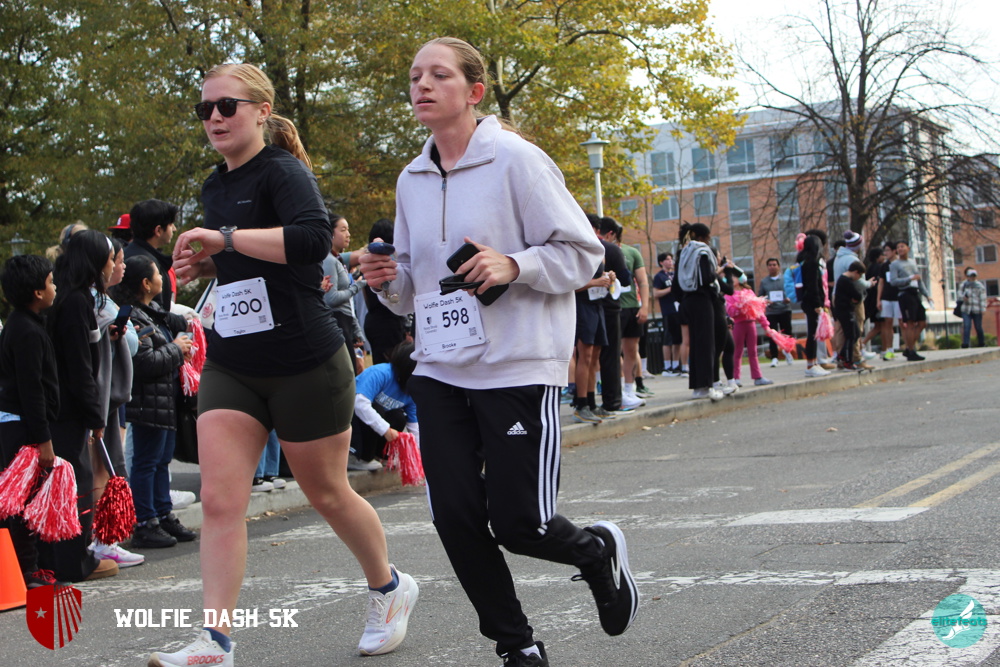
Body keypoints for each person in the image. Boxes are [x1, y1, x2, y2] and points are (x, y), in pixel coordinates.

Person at [359, 37, 637, 666]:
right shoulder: (411, 178)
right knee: (455, 519)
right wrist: (386, 280)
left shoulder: (518, 161)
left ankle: (596, 552)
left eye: (438, 75)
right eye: (415, 76)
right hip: (439, 367)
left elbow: (584, 254)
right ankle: (517, 647)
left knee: (520, 525)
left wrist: (515, 264)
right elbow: (411, 289)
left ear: (474, 92)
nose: (422, 85)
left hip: (516, 366)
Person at [149, 63, 416, 666]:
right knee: (221, 501)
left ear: (262, 111)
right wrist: (209, 264)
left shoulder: (283, 172)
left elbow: (312, 242)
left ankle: (389, 586)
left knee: (327, 492)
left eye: (227, 106)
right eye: (205, 109)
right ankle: (216, 642)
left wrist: (226, 240)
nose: (215, 118)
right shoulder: (215, 185)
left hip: (304, 360)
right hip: (233, 363)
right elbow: (249, 258)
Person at [43, 229, 119, 581]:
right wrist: (95, 414)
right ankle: (76, 560)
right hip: (67, 410)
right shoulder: (76, 302)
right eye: (109, 259)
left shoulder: (67, 297)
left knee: (63, 482)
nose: (112, 265)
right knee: (76, 481)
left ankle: (60, 559)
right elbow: (79, 368)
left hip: (57, 407)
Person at [110, 255, 196, 550]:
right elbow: (144, 362)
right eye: (158, 274)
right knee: (146, 462)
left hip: (164, 400)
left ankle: (163, 514)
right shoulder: (134, 316)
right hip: (147, 401)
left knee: (161, 461)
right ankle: (145, 521)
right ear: (146, 283)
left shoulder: (154, 312)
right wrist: (176, 348)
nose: (163, 278)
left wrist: (179, 348)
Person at [0, 254, 62, 588]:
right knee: (23, 502)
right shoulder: (26, 331)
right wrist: (43, 440)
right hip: (21, 426)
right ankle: (27, 571)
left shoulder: (23, 323)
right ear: (38, 292)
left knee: (23, 498)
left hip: (18, 422)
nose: (55, 287)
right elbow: (31, 390)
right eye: (51, 282)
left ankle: (30, 567)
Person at [89, 238, 144, 568]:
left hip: (106, 393)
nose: (119, 266)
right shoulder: (92, 301)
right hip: (99, 396)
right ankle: (100, 541)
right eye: (114, 259)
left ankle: (102, 540)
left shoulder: (100, 299)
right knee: (101, 468)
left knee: (105, 466)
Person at [350, 341, 418, 469]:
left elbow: (415, 429)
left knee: (398, 416)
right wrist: (386, 430)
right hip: (349, 418)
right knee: (377, 409)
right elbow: (359, 404)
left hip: (373, 425)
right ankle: (357, 456)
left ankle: (381, 455)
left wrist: (419, 458)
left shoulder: (410, 390)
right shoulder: (380, 373)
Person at [676, 223, 724, 401]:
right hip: (703, 299)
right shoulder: (702, 252)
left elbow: (676, 284)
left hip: (688, 299)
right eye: (708, 238)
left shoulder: (684, 252)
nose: (709, 242)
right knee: (707, 343)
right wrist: (716, 273)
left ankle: (697, 385)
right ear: (702, 237)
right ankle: (707, 385)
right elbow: (707, 277)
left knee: (695, 343)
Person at [321, 215, 366, 376]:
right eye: (343, 230)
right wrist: (357, 286)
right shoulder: (329, 261)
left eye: (348, 229)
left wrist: (355, 328)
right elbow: (331, 299)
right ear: (330, 234)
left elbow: (347, 305)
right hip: (337, 322)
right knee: (345, 374)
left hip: (345, 321)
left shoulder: (337, 259)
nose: (348, 234)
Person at [362, 218, 410, 364]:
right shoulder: (389, 266)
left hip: (374, 320)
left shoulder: (369, 265)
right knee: (394, 368)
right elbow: (396, 298)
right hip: (389, 323)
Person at [125, 199, 178, 312]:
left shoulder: (128, 253)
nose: (174, 228)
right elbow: (154, 311)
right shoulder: (147, 264)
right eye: (171, 224)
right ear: (158, 230)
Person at [889, 240, 931, 361]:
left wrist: (926, 294)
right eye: (898, 247)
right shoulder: (895, 264)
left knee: (922, 323)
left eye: (902, 246)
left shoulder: (912, 262)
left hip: (915, 293)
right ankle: (911, 350)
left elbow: (919, 279)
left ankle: (909, 347)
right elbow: (893, 281)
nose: (900, 249)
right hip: (905, 294)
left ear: (908, 248)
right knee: (910, 323)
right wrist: (909, 278)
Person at [726, 281, 773, 386]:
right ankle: (735, 378)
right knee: (737, 351)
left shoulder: (749, 292)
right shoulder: (729, 294)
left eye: (734, 276)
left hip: (751, 323)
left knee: (753, 351)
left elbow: (758, 310)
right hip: (738, 324)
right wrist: (740, 306)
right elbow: (730, 311)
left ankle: (757, 376)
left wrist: (765, 325)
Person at [798, 233, 832, 377]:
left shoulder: (806, 261)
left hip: (809, 301)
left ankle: (814, 362)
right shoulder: (811, 263)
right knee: (812, 334)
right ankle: (810, 364)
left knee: (814, 333)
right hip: (812, 302)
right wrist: (818, 304)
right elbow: (813, 285)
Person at [758, 257, 793, 367]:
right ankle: (774, 357)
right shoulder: (764, 282)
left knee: (787, 333)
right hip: (771, 312)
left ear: (778, 266)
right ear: (767, 267)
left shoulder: (785, 279)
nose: (772, 267)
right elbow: (760, 296)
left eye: (774, 265)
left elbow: (791, 292)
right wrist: (766, 301)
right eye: (770, 265)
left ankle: (788, 352)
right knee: (772, 334)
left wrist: (789, 298)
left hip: (785, 309)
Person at [653, 252, 684, 376]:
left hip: (678, 310)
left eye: (671, 259)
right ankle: (667, 366)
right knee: (668, 339)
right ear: (661, 262)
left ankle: (676, 365)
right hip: (668, 310)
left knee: (678, 339)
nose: (670, 261)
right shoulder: (659, 277)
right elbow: (656, 293)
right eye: (667, 259)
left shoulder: (676, 275)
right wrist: (670, 289)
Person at [833, 261, 867, 370]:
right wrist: (856, 298)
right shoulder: (845, 281)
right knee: (851, 335)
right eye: (859, 275)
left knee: (855, 334)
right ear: (856, 272)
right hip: (845, 311)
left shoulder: (844, 280)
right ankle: (847, 361)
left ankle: (842, 355)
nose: (859, 278)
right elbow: (857, 295)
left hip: (846, 310)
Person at [876, 241, 900, 359]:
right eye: (884, 251)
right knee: (887, 323)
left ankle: (908, 348)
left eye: (888, 250)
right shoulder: (884, 266)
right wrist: (878, 299)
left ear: (894, 251)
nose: (886, 253)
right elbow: (881, 283)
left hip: (899, 296)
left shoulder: (900, 264)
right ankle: (889, 349)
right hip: (887, 297)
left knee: (902, 322)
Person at [958, 267, 987, 348]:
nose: (972, 278)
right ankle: (965, 343)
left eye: (974, 276)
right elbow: (959, 295)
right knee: (967, 326)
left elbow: (982, 298)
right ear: (968, 276)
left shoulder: (979, 286)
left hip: (976, 309)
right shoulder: (963, 285)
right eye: (971, 276)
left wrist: (983, 309)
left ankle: (981, 342)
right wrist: (963, 297)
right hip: (966, 309)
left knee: (978, 326)